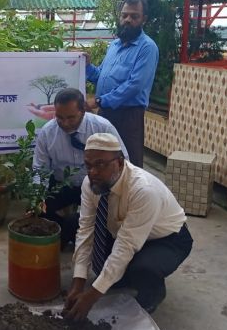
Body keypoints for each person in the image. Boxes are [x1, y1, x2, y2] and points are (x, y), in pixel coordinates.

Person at [63, 133, 192, 319]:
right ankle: (128, 273)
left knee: (143, 269)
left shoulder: (144, 190)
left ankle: (153, 293)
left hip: (166, 239)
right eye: (88, 165)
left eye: (100, 164)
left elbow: (126, 245)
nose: (93, 172)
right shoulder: (90, 183)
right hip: (121, 231)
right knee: (111, 277)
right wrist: (78, 283)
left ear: (119, 163)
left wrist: (91, 297)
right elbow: (86, 230)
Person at [32, 88, 129, 248]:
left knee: (87, 221)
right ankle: (68, 234)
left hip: (96, 186)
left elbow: (123, 162)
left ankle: (72, 233)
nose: (65, 123)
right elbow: (39, 168)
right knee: (40, 212)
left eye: (71, 117)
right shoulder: (48, 132)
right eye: (60, 117)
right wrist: (38, 197)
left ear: (83, 111)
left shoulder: (102, 127)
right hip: (62, 184)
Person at [86, 0, 159, 168]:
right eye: (124, 15)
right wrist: (87, 66)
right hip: (105, 113)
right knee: (102, 161)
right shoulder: (114, 45)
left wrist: (99, 101)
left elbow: (135, 85)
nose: (128, 20)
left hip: (128, 116)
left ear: (144, 19)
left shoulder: (147, 47)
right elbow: (100, 76)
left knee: (128, 164)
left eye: (134, 16)